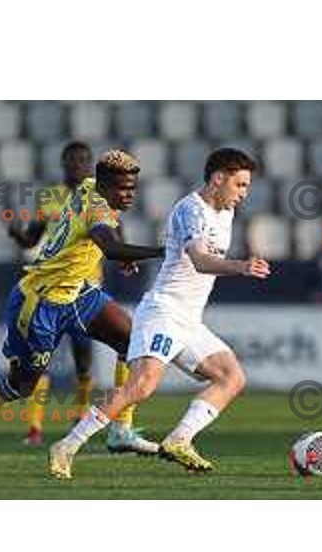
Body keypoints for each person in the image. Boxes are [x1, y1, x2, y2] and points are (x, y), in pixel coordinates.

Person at [49, 147, 270, 479]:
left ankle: (180, 439)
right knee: (142, 386)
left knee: (231, 376)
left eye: (247, 186)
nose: (244, 194)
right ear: (218, 179)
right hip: (163, 311)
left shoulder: (225, 213)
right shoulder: (191, 210)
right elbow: (199, 260)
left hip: (189, 319)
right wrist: (240, 266)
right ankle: (66, 445)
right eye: (239, 185)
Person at [0, 149, 163, 467]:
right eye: (122, 188)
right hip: (41, 302)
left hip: (79, 293)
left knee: (133, 340)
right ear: (103, 185)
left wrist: (123, 254)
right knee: (23, 384)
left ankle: (121, 430)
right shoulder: (95, 206)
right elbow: (109, 246)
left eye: (132, 187)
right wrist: (165, 250)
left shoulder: (88, 186)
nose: (129, 195)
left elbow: (108, 240)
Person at [10, 141, 145, 447]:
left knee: (83, 364)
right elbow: (32, 237)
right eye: (72, 159)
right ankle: (34, 428)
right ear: (63, 162)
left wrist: (125, 258)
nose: (77, 163)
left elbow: (115, 238)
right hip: (50, 291)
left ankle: (80, 416)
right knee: (38, 364)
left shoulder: (103, 196)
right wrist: (17, 234)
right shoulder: (52, 197)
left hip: (87, 291)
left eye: (83, 159)